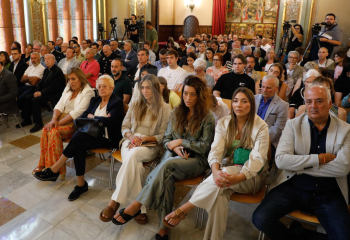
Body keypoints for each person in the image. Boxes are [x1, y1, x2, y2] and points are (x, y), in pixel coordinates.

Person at [109, 76, 215, 240]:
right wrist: (173, 146)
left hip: (195, 160)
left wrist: (181, 142)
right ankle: (163, 229)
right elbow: (166, 139)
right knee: (167, 177)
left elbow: (205, 146)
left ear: (200, 96)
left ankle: (137, 204)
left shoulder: (207, 117)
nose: (187, 98)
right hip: (172, 156)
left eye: (192, 95)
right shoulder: (177, 111)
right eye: (185, 93)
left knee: (166, 166)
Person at [163, 87, 269, 240]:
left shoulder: (261, 126)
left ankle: (185, 208)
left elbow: (257, 160)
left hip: (251, 178)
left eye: (244, 101)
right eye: (235, 101)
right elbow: (216, 150)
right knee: (219, 197)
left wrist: (238, 177)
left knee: (227, 173)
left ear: (251, 105)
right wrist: (215, 171)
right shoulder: (224, 123)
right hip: (224, 178)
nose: (239, 105)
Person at [253, 85, 350, 240]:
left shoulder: (345, 130)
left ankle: (299, 232)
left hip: (328, 192)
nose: (313, 106)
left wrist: (298, 166)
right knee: (260, 218)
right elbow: (281, 160)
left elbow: (342, 168)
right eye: (308, 102)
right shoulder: (293, 125)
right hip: (293, 185)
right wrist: (319, 159)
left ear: (330, 104)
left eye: (319, 101)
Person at [34, 75, 125, 200]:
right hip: (92, 136)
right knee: (79, 144)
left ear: (112, 88)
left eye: (105, 86)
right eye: (99, 86)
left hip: (107, 139)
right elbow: (82, 117)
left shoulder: (117, 102)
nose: (101, 89)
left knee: (78, 138)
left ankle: (55, 169)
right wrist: (100, 119)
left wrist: (93, 117)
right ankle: (81, 184)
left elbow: (111, 122)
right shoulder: (95, 100)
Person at [101, 75, 171, 224]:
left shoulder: (165, 107)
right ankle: (138, 208)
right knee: (136, 166)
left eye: (148, 88)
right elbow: (124, 127)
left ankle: (114, 201)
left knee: (133, 157)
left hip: (150, 144)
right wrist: (132, 137)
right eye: (142, 88)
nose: (145, 91)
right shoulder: (135, 103)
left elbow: (163, 135)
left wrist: (144, 139)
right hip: (130, 141)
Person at [33, 68, 95, 179]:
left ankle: (55, 170)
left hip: (76, 124)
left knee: (54, 131)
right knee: (46, 129)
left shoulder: (88, 91)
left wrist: (58, 123)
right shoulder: (68, 88)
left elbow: (77, 112)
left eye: (73, 79)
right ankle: (44, 164)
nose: (71, 82)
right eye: (69, 79)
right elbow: (60, 104)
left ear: (81, 79)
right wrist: (53, 119)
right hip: (61, 119)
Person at [17, 54, 66, 133]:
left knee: (35, 100)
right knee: (26, 98)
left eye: (49, 59)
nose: (46, 61)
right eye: (45, 59)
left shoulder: (57, 71)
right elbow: (41, 83)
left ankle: (38, 123)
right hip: (46, 92)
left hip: (55, 93)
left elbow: (54, 87)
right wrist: (37, 91)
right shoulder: (46, 70)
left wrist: (41, 93)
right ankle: (27, 120)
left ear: (54, 60)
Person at [255, 75, 288, 157]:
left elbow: (277, 129)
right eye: (263, 87)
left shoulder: (283, 105)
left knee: (257, 155)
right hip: (249, 136)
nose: (264, 90)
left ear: (276, 89)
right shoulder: (253, 99)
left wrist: (259, 140)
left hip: (269, 141)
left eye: (268, 88)